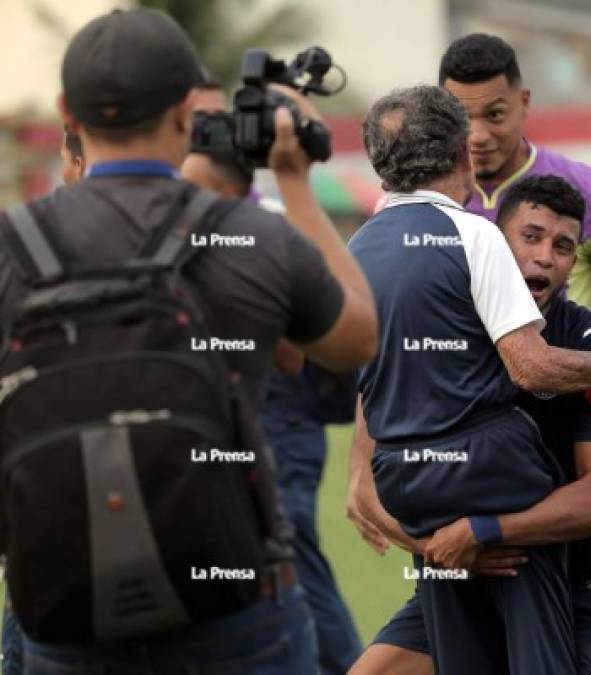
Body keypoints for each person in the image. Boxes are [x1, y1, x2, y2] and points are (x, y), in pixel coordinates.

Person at [0, 8, 377, 672]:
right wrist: (292, 177)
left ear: (68, 111)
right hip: (235, 610)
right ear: (185, 113)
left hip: (63, 611)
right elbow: (356, 340)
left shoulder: (10, 245)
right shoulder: (248, 237)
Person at [350, 85, 591, 674]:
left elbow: (366, 467)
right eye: (530, 238)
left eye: (562, 246)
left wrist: (452, 538)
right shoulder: (472, 237)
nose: (543, 258)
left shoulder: (358, 246)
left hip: (418, 495)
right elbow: (531, 367)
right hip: (495, 489)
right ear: (463, 154)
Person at [181, 100, 366, 673]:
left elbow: (338, 344)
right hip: (219, 447)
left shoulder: (263, 232)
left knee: (292, 572)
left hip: (279, 433)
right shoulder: (181, 227)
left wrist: (294, 185)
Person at [439, 33, 591, 332]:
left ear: (523, 102)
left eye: (495, 115)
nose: (478, 135)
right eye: (461, 118)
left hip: (567, 377)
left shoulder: (590, 193)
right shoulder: (416, 203)